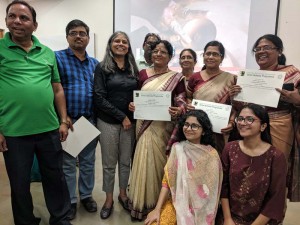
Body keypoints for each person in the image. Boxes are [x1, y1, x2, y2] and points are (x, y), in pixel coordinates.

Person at [0, 1, 71, 224]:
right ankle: (25, 221)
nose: (17, 21)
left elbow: (57, 88)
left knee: (55, 178)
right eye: (12, 16)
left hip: (49, 129)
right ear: (5, 21)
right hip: (14, 132)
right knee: (19, 183)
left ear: (35, 25)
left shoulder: (48, 53)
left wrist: (63, 120)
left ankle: (60, 218)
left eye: (23, 18)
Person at [229, 34, 300, 201]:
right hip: (251, 127)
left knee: (275, 171)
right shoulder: (250, 78)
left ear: (279, 51)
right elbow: (241, 108)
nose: (261, 52)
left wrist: (296, 100)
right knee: (251, 170)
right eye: (258, 49)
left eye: (266, 48)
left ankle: (272, 214)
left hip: (279, 125)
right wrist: (235, 97)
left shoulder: (292, 74)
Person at [128, 40, 186, 220]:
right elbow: (137, 96)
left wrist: (180, 110)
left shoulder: (177, 78)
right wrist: (133, 105)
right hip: (144, 124)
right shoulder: (143, 74)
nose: (158, 54)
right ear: (151, 54)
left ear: (170, 56)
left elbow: (182, 100)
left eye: (163, 52)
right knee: (142, 159)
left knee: (159, 162)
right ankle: (140, 204)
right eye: (156, 51)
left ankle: (158, 205)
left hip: (163, 127)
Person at [145, 110, 222, 225]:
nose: (188, 128)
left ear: (204, 131)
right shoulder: (177, 148)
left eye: (194, 126)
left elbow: (212, 190)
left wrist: (195, 207)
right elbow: (167, 182)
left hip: (202, 206)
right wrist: (157, 209)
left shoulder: (211, 154)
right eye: (186, 124)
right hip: (178, 201)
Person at [55, 19, 99, 220]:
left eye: (82, 33)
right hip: (69, 121)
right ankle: (71, 200)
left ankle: (87, 195)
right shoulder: (58, 58)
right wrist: (63, 118)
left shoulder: (95, 64)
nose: (78, 36)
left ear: (88, 38)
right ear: (67, 37)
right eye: (74, 33)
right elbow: (54, 89)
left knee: (88, 162)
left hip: (89, 120)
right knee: (68, 164)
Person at [93, 31, 139, 219]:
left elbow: (139, 94)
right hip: (109, 122)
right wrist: (122, 116)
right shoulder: (102, 67)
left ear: (128, 46)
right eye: (117, 41)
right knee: (109, 163)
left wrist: (136, 108)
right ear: (110, 44)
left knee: (125, 162)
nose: (121, 44)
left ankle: (123, 195)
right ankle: (109, 199)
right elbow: (98, 97)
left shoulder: (133, 68)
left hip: (130, 123)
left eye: (124, 42)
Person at [218, 104, 287, 225]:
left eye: (250, 119)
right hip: (230, 219)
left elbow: (277, 197)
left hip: (262, 221)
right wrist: (228, 219)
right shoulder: (229, 148)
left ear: (263, 126)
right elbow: (223, 186)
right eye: (240, 119)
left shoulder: (276, 156)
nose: (243, 123)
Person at [187, 41, 236, 152]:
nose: (210, 57)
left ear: (222, 58)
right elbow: (188, 97)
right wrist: (189, 104)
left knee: (215, 161)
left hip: (219, 131)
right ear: (203, 56)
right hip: (195, 128)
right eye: (207, 54)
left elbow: (236, 106)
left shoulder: (231, 79)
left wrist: (232, 123)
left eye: (215, 54)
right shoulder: (194, 77)